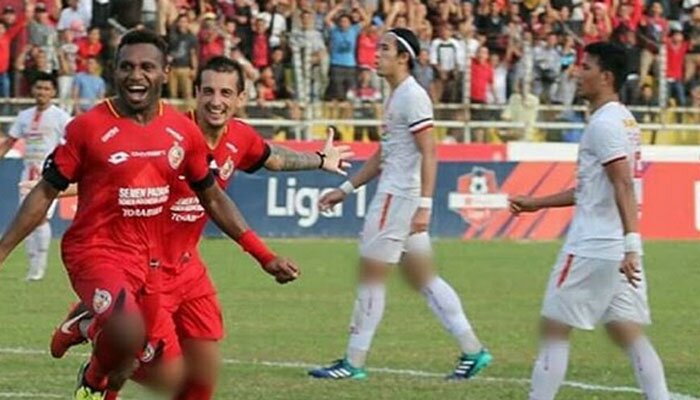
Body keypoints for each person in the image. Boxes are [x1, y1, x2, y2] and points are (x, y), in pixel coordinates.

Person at [0, 30, 300, 400]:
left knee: (190, 380)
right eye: (126, 67)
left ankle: (91, 334)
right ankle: (93, 381)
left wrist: (264, 256)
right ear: (114, 71)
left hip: (156, 262)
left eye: (146, 67)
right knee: (131, 336)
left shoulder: (181, 131)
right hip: (97, 251)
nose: (135, 75)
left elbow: (214, 198)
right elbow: (46, 191)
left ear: (164, 72)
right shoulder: (88, 128)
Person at [45, 56, 353, 400]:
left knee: (201, 383)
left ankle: (94, 341)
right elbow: (113, 177)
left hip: (189, 270)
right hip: (146, 271)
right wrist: (55, 187)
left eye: (225, 93)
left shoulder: (240, 137)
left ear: (241, 98)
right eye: (207, 91)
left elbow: (274, 157)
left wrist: (320, 160)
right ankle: (92, 333)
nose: (216, 101)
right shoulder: (168, 132)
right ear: (195, 93)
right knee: (160, 371)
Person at [308, 28, 492, 381]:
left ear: (404, 57)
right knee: (425, 279)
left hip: (398, 198)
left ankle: (354, 362)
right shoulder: (397, 97)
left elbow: (430, 151)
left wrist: (425, 204)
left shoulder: (412, 97)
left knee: (371, 278)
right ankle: (474, 351)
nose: (375, 54)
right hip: (400, 196)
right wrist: (345, 189)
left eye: (384, 48)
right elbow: (386, 154)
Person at [509, 42, 670, 400]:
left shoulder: (605, 125)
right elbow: (593, 190)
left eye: (586, 67)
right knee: (630, 335)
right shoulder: (624, 119)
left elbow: (623, 184)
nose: (577, 73)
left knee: (554, 330)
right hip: (617, 251)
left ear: (607, 77)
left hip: (592, 248)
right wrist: (536, 203)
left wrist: (632, 245)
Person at [0, 73, 71, 281]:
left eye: (46, 89)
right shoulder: (24, 116)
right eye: (39, 88)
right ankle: (33, 267)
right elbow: (9, 143)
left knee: (40, 219)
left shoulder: (61, 118)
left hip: (50, 176)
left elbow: (74, 142)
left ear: (54, 92)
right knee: (27, 219)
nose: (42, 92)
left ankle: (39, 267)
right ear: (33, 90)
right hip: (26, 172)